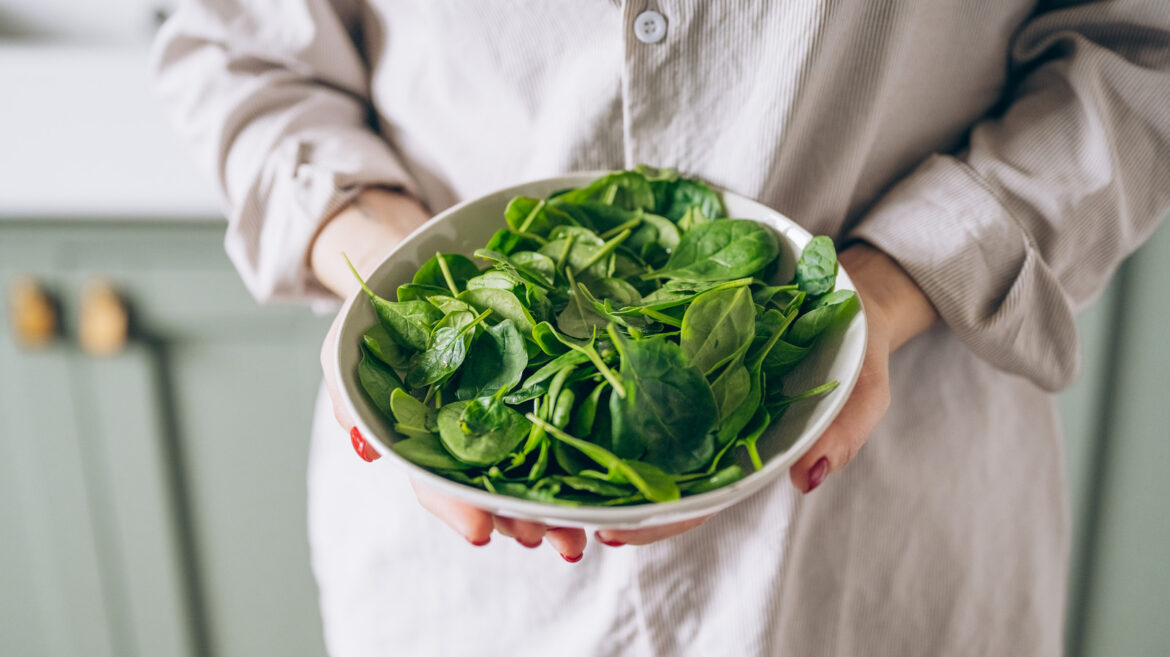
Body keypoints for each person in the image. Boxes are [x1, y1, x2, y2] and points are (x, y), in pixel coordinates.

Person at [152, 1, 1170, 655]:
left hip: (886, 552)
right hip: (469, 594)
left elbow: (1139, 53)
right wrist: (403, 289)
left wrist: (891, 285)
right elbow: (237, 48)